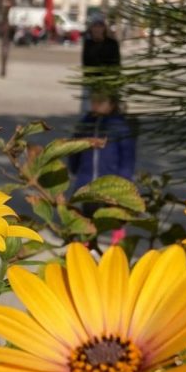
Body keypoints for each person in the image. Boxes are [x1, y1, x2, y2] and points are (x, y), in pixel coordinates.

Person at [68, 91, 137, 246]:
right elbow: (74, 148)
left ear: (112, 104)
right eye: (94, 100)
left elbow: (128, 156)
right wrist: (73, 167)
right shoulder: (85, 123)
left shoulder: (120, 126)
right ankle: (88, 245)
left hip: (111, 181)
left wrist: (124, 180)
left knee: (114, 213)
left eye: (101, 101)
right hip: (87, 180)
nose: (96, 104)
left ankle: (118, 242)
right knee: (88, 215)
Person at [81, 14, 120, 110]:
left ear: (104, 28)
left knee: (107, 112)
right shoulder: (88, 43)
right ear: (91, 28)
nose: (97, 29)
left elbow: (116, 64)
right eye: (95, 26)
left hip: (108, 83)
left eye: (100, 26)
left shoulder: (112, 44)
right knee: (89, 112)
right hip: (92, 82)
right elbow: (86, 64)